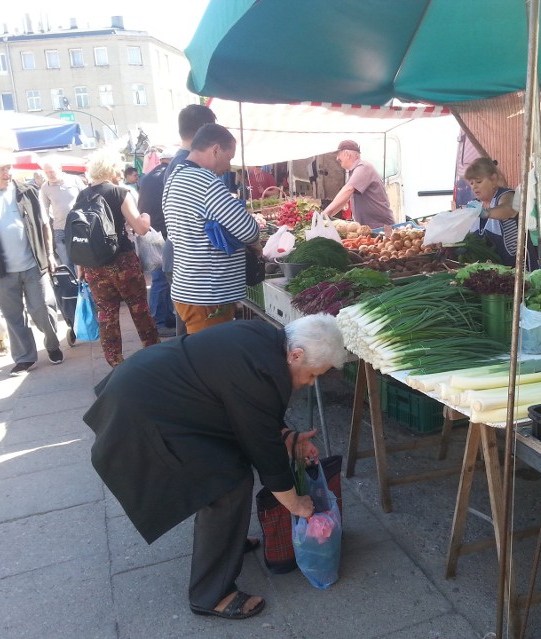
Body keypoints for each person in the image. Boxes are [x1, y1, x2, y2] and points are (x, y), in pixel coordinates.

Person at [83, 314, 345, 619]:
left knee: (227, 473)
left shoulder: (267, 340)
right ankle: (211, 595)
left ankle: (227, 542)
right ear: (296, 355)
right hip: (143, 412)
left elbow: (253, 412)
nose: (309, 383)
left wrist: (288, 436)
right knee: (227, 485)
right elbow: (264, 451)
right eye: (313, 374)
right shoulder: (261, 371)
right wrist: (297, 504)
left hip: (152, 392)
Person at [163, 123, 260, 334]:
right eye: (229, 158)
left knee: (203, 356)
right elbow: (249, 231)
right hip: (207, 295)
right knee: (211, 361)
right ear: (215, 149)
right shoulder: (205, 181)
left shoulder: (175, 177)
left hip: (190, 287)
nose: (228, 166)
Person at [0, 150, 63, 376]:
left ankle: (53, 345)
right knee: (13, 316)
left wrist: (50, 255)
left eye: (9, 167)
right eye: (2, 169)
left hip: (34, 264)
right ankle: (25, 358)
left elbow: (45, 225)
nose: (8, 173)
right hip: (0, 270)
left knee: (42, 309)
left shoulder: (26, 191)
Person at [80, 149, 160, 367]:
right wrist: (146, 215)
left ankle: (116, 363)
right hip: (122, 262)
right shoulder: (119, 192)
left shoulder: (82, 195)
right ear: (112, 169)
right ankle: (154, 356)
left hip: (94, 266)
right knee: (139, 308)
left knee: (106, 314)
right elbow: (141, 228)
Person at [163, 104, 218, 337]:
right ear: (203, 132)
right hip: (188, 264)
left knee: (188, 336)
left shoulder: (179, 163)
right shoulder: (188, 167)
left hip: (179, 259)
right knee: (197, 339)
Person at [465, 157, 536, 269]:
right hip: (492, 269)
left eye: (479, 181)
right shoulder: (475, 205)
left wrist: (485, 213)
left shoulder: (506, 195)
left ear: (493, 180)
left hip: (518, 266)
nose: (474, 186)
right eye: (471, 183)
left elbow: (508, 210)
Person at [136, 148, 176, 337]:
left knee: (162, 277)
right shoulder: (167, 175)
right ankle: (159, 321)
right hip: (163, 232)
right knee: (161, 278)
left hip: (152, 231)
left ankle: (166, 318)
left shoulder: (149, 176)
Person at [320, 140, 395, 231]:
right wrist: (327, 217)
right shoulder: (355, 172)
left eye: (339, 154)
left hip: (382, 227)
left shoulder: (364, 167)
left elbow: (348, 190)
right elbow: (344, 200)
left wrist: (325, 213)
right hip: (369, 228)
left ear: (347, 154)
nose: (337, 158)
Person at [41, 158, 84, 272]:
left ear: (59, 168)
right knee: (66, 262)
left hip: (78, 226)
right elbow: (44, 211)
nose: (50, 174)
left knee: (81, 261)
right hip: (60, 228)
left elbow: (86, 199)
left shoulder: (74, 180)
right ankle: (73, 287)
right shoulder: (45, 187)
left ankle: (84, 287)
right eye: (46, 172)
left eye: (52, 171)